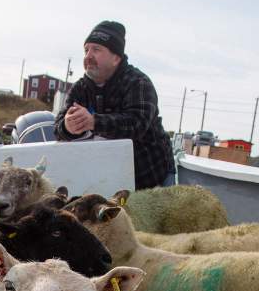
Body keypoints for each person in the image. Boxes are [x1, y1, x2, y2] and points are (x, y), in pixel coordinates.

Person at [54, 21, 176, 190]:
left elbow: (136, 124)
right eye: (86, 50)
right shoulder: (80, 89)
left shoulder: (138, 82)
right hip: (108, 177)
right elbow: (58, 127)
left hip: (151, 176)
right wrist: (67, 127)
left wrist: (93, 122)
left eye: (96, 50)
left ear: (116, 58)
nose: (88, 55)